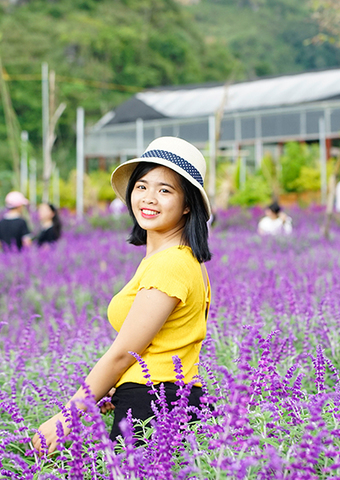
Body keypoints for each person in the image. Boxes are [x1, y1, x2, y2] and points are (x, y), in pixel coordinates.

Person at [31, 136, 212, 453]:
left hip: (154, 404)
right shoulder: (169, 260)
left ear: (187, 205)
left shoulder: (170, 264)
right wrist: (119, 387)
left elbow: (123, 352)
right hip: (163, 400)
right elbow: (157, 346)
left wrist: (67, 418)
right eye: (142, 186)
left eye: (165, 190)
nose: (149, 198)